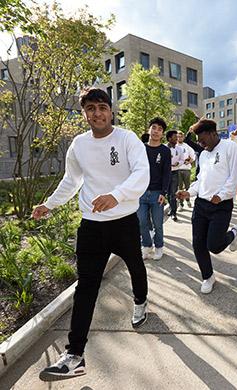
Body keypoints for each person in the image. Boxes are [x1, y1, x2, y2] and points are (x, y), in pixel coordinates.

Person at [33, 88, 149, 381]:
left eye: (101, 107)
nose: (96, 113)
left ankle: (140, 301)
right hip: (91, 226)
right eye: (90, 109)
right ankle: (74, 355)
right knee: (85, 287)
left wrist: (116, 195)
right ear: (84, 113)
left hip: (124, 222)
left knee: (136, 266)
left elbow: (141, 173)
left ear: (111, 110)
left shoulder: (127, 138)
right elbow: (71, 180)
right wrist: (49, 204)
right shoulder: (79, 144)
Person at [177, 119, 237, 294]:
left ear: (213, 133)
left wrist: (221, 196)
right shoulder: (204, 154)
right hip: (201, 205)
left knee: (214, 245)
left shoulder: (230, 147)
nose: (200, 143)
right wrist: (188, 193)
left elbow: (235, 177)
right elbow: (200, 180)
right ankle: (208, 276)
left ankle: (234, 232)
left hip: (221, 205)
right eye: (198, 139)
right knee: (198, 244)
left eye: (202, 138)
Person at [138, 117, 171, 261]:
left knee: (158, 223)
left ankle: (159, 246)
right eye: (154, 127)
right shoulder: (140, 148)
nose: (156, 131)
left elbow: (167, 173)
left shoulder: (164, 151)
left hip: (157, 193)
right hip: (141, 192)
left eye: (160, 129)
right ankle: (146, 245)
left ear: (162, 133)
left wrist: (164, 192)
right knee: (142, 221)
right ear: (149, 129)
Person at [176, 131, 196, 211]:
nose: (179, 138)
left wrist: (190, 161)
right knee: (179, 188)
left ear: (183, 137)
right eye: (178, 136)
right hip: (178, 169)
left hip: (186, 169)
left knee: (188, 187)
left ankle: (188, 201)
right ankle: (181, 204)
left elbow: (193, 156)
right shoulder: (175, 146)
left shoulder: (187, 146)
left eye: (181, 136)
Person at [166, 130, 182, 222]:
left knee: (173, 193)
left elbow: (182, 159)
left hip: (175, 173)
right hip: (165, 173)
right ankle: (171, 209)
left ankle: (173, 213)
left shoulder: (179, 149)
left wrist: (178, 163)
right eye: (175, 137)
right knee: (168, 193)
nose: (177, 139)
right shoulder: (164, 148)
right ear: (169, 138)